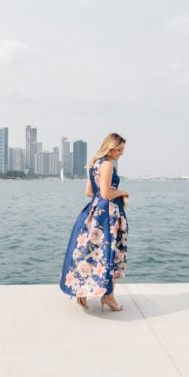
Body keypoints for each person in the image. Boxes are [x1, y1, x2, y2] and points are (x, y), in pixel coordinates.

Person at [59, 133, 129, 311]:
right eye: (119, 149)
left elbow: (90, 192)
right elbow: (106, 194)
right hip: (107, 216)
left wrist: (106, 193)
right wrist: (121, 192)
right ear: (110, 147)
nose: (121, 153)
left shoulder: (93, 165)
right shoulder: (107, 165)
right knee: (109, 253)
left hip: (93, 213)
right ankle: (109, 296)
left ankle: (82, 292)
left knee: (89, 252)